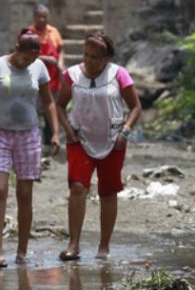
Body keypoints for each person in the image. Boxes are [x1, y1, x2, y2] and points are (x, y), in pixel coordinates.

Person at [0, 28, 60, 267]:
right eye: (26, 58)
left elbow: (48, 102)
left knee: (25, 194)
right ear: (17, 48)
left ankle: (22, 252)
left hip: (29, 135)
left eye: (34, 58)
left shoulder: (39, 68)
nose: (29, 62)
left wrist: (54, 133)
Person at [56, 32, 142, 261]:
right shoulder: (72, 75)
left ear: (106, 58)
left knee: (108, 192)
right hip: (80, 140)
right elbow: (60, 105)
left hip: (113, 141)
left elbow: (135, 107)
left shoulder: (119, 75)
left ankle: (104, 247)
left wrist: (125, 131)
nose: (88, 60)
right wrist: (67, 129)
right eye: (86, 54)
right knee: (77, 188)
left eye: (94, 56)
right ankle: (73, 244)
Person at [28, 4, 64, 148]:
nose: (42, 19)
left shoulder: (53, 32)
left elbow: (61, 50)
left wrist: (60, 64)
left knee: (51, 110)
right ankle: (35, 143)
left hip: (52, 80)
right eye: (39, 16)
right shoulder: (28, 33)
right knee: (35, 111)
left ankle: (50, 143)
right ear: (34, 17)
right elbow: (25, 54)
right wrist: (46, 59)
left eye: (45, 17)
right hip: (34, 81)